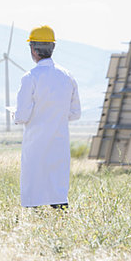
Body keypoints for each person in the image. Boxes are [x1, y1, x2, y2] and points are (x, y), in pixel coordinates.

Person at [14, 25, 81, 209]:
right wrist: (56, 113)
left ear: (33, 50)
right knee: (58, 192)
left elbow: (22, 115)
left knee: (33, 190)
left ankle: (32, 229)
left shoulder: (29, 78)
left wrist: (14, 113)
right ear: (53, 47)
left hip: (35, 145)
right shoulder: (67, 76)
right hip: (59, 144)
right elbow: (75, 113)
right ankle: (61, 229)